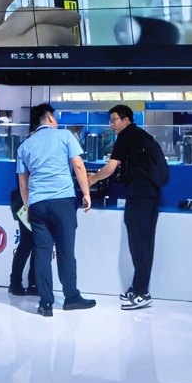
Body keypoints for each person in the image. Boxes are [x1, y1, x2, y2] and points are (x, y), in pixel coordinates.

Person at [15, 104, 94, 318]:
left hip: (38, 204)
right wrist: (86, 193)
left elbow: (23, 182)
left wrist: (28, 206)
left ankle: (45, 304)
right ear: (49, 118)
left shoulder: (24, 146)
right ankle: (71, 297)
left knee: (42, 253)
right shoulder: (65, 135)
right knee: (66, 250)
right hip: (63, 202)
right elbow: (78, 165)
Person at [90, 103, 168, 309]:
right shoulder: (141, 135)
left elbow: (110, 168)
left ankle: (142, 292)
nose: (112, 124)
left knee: (139, 244)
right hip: (150, 196)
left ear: (126, 120)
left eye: (114, 120)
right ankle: (138, 287)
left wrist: (92, 179)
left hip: (139, 197)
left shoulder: (126, 136)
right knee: (144, 243)